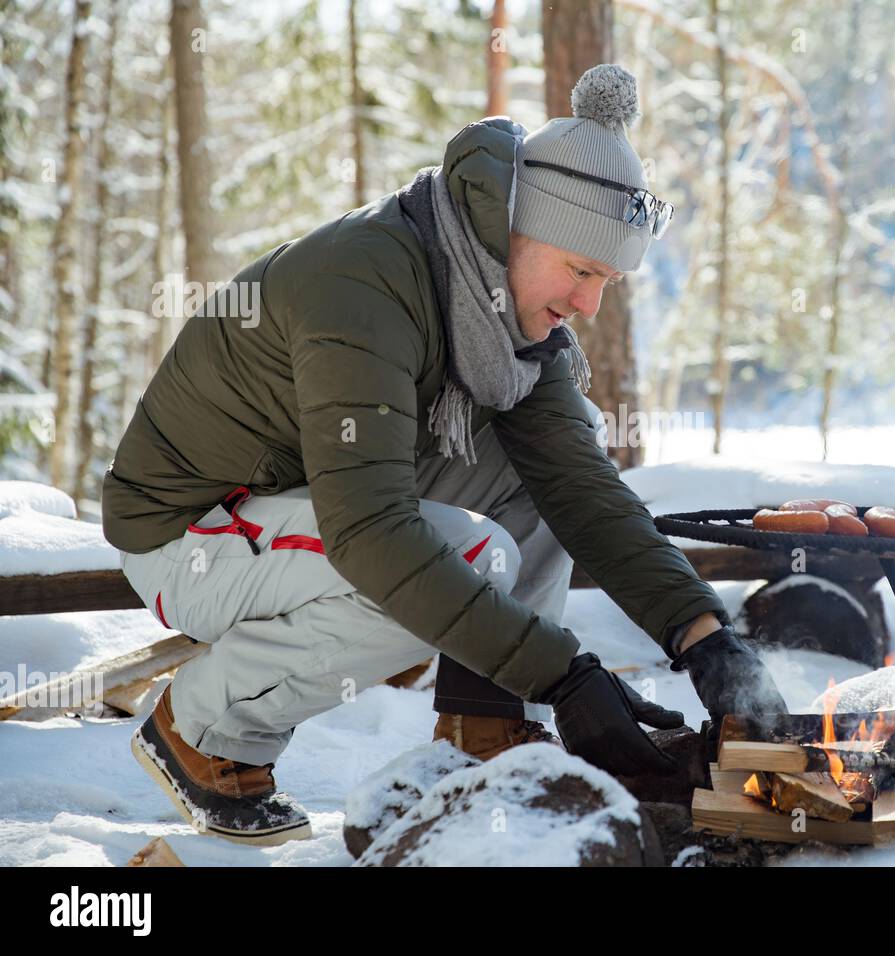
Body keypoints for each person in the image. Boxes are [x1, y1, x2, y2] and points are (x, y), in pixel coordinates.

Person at [104, 64, 787, 847]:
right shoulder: (364, 282)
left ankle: (485, 729)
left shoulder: (506, 320)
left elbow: (584, 491)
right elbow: (371, 536)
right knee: (460, 555)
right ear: (517, 232)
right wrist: (563, 673)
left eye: (609, 282)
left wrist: (707, 640)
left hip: (296, 505)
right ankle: (204, 731)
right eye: (582, 270)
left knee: (558, 461)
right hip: (189, 533)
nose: (590, 304)